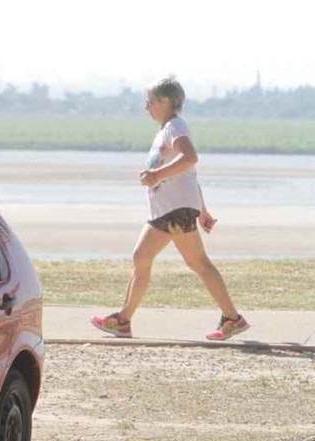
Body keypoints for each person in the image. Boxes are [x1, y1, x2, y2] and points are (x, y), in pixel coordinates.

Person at [91, 76, 250, 341]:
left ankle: (232, 319)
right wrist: (203, 210)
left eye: (150, 101)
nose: (146, 106)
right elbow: (190, 175)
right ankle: (123, 320)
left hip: (174, 211)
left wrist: (156, 175)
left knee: (192, 262)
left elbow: (190, 158)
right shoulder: (167, 130)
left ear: (165, 101)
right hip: (170, 210)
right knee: (147, 258)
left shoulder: (175, 127)